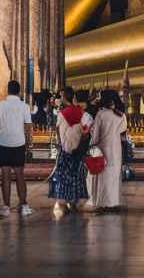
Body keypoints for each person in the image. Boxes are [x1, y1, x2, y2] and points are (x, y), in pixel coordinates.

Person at [0, 79, 35, 217]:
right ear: (19, 91)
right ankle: (24, 204)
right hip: (18, 142)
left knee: (5, 176)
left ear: (8, 90)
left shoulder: (0, 105)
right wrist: (29, 144)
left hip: (3, 142)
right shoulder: (24, 106)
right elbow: (28, 127)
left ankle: (6, 207)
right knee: (20, 175)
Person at [49, 86, 91, 216]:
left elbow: (61, 135)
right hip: (78, 152)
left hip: (66, 151)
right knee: (78, 177)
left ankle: (65, 198)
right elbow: (86, 132)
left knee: (65, 177)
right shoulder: (84, 114)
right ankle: (78, 200)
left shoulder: (63, 114)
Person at [89, 89, 128, 209]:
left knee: (103, 175)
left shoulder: (100, 115)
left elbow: (95, 134)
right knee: (114, 175)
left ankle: (102, 201)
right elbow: (122, 130)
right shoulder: (121, 116)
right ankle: (114, 201)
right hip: (115, 147)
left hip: (102, 147)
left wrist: (91, 145)